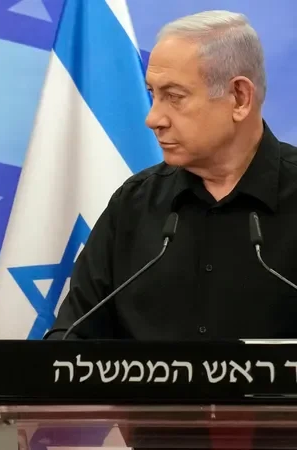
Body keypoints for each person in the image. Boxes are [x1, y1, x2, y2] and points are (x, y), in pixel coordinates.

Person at [49, 10, 297, 341]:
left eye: (174, 97)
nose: (153, 119)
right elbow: (69, 341)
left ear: (239, 98)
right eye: (154, 94)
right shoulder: (133, 204)